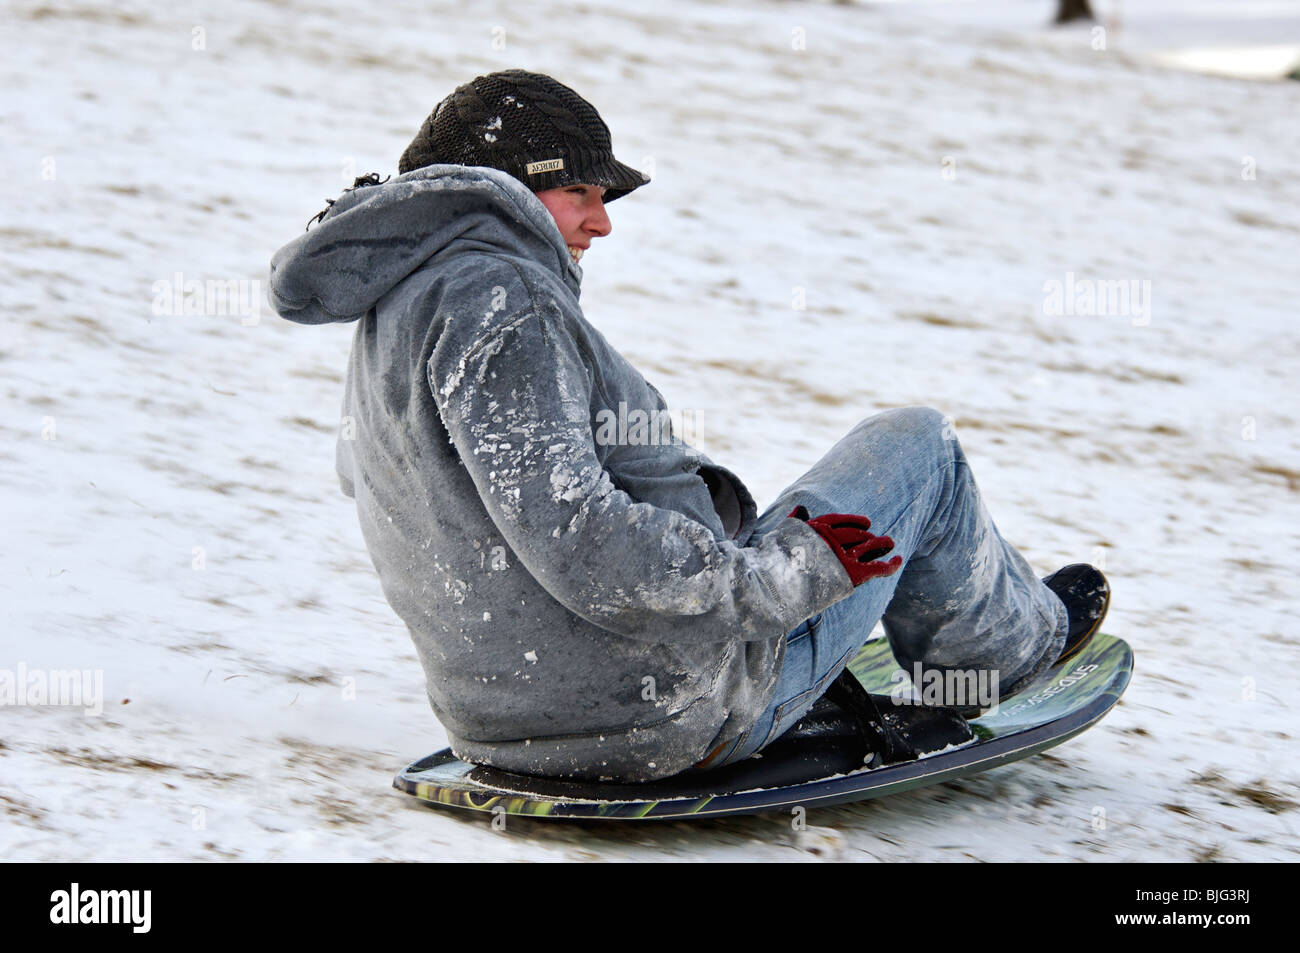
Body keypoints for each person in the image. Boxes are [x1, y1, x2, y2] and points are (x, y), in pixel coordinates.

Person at [268, 69, 1108, 783]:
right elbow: (582, 539)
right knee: (917, 446)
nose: (602, 222)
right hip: (663, 710)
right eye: (582, 194)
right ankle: (1002, 650)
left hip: (500, 718)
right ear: (516, 186)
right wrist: (785, 576)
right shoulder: (502, 303)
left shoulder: (400, 303)